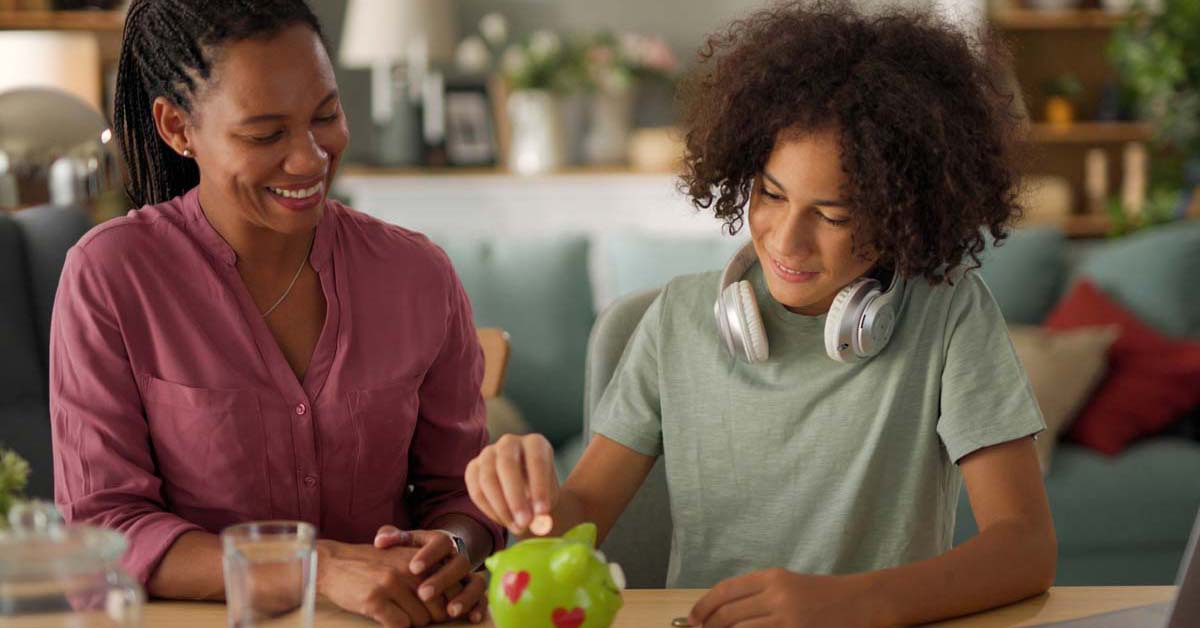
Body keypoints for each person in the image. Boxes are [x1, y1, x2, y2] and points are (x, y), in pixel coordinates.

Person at [465, 2, 1056, 626]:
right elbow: (576, 516)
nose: (787, 241)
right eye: (771, 195)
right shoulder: (676, 320)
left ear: (905, 213)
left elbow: (1024, 548)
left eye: (834, 215)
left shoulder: (948, 313)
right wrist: (522, 499)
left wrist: (852, 602)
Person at [48, 1, 499, 626]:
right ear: (177, 128)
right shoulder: (112, 275)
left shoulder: (417, 274)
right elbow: (101, 532)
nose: (310, 158)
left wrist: (449, 549)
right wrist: (317, 570)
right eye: (265, 134)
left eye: (326, 115)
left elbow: (462, 498)